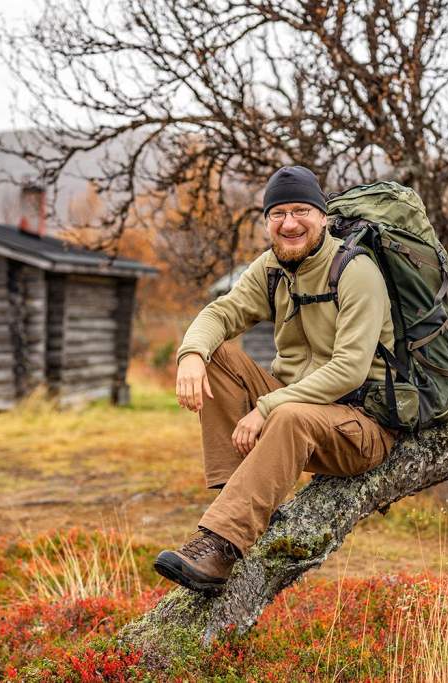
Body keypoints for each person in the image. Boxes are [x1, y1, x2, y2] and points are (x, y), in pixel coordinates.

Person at [153, 165, 397, 594]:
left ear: (322, 217)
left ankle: (223, 547)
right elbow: (220, 313)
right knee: (218, 355)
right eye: (277, 213)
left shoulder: (356, 272)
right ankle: (238, 501)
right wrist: (191, 355)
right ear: (267, 222)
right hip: (298, 410)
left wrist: (267, 407)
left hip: (362, 426)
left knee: (289, 417)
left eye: (301, 210)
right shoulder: (271, 269)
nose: (289, 223)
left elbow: (349, 369)